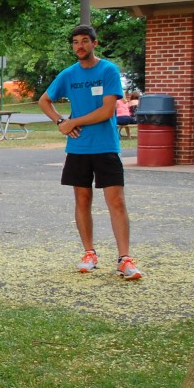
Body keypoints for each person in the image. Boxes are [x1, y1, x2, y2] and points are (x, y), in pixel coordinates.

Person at [38, 24, 143, 280]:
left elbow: (107, 111)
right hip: (78, 149)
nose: (80, 46)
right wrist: (60, 121)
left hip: (105, 146)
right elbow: (44, 101)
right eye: (76, 42)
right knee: (82, 200)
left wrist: (73, 122)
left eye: (85, 41)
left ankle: (124, 259)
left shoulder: (108, 70)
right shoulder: (68, 74)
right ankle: (89, 254)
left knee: (116, 201)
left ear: (94, 43)